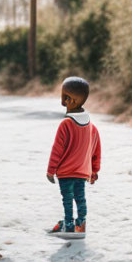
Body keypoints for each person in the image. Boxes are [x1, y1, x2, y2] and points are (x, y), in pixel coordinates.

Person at [46, 76, 102, 236]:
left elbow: (57, 150)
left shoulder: (66, 124)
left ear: (70, 100)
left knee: (67, 200)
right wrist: (94, 172)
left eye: (64, 97)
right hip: (82, 172)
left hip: (65, 173)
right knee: (80, 199)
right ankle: (81, 226)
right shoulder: (92, 127)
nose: (62, 102)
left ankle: (69, 226)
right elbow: (96, 152)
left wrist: (51, 171)